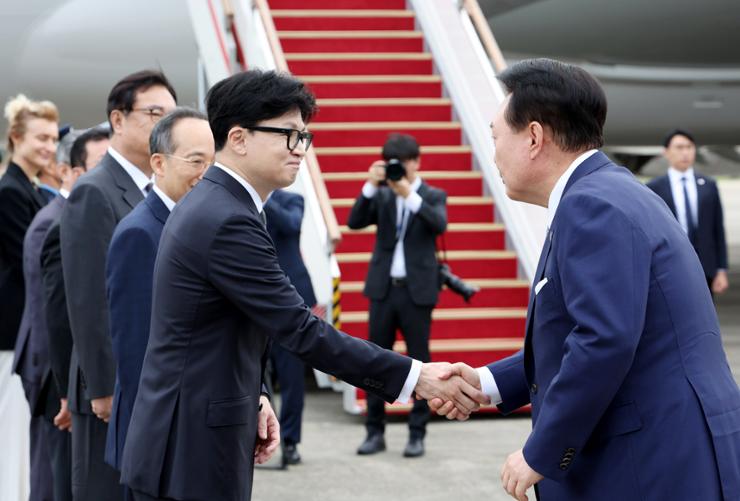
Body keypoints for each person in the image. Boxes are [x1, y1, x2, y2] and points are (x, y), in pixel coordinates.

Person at [120, 69, 487, 501]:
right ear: (238, 139)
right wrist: (415, 377)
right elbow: (299, 329)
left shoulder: (224, 204)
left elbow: (218, 326)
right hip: (190, 445)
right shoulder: (226, 217)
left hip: (196, 429)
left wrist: (254, 395)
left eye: (304, 137)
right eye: (289, 135)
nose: (301, 151)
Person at [433, 59, 740, 501]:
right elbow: (585, 333)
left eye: (496, 136)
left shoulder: (591, 207)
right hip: (671, 453)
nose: (493, 153)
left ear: (535, 137)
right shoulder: (613, 192)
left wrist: (541, 452)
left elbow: (605, 340)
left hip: (650, 464)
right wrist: (485, 383)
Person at [60, 70, 176, 501]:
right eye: (153, 113)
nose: (163, 126)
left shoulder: (156, 190)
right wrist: (105, 388)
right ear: (118, 120)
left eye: (170, 116)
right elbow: (88, 299)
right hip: (107, 389)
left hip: (145, 380)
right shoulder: (96, 190)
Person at [104, 108, 214, 483]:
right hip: (159, 438)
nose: (207, 174)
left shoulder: (199, 223)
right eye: (196, 161)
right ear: (159, 164)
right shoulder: (140, 232)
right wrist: (159, 440)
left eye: (214, 163)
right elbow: (135, 349)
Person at [347, 133, 447, 458]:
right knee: (374, 360)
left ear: (416, 163)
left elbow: (439, 224)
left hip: (417, 291)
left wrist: (410, 195)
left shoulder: (432, 194)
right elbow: (354, 221)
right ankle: (374, 431)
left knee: (421, 361)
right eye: (393, 165)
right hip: (383, 290)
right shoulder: (382, 196)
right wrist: (369, 185)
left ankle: (417, 433)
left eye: (403, 164)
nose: (399, 171)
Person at [12, 127, 90, 501]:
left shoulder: (59, 215)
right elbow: (51, 310)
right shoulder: (54, 222)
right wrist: (60, 387)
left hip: (51, 366)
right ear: (68, 171)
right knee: (51, 473)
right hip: (50, 370)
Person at [0, 94, 58, 501]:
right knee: (12, 425)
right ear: (15, 138)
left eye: (53, 139)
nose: (49, 147)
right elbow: (31, 259)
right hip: (11, 328)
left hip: (22, 323)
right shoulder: (10, 192)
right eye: (40, 138)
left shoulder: (32, 189)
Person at [264, 188, 317, 466]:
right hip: (253, 299)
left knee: (292, 377)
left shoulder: (292, 200)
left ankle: (291, 441)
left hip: (291, 299)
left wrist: (265, 196)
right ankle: (259, 437)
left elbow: (290, 224)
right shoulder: (239, 201)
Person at [647, 129, 729, 295]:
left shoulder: (708, 185)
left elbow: (717, 229)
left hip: (705, 265)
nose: (685, 152)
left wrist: (721, 269)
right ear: (666, 152)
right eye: (679, 147)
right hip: (669, 265)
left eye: (689, 147)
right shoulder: (654, 188)